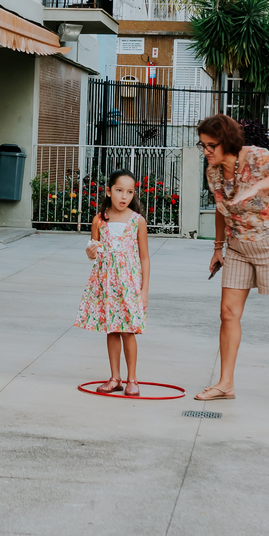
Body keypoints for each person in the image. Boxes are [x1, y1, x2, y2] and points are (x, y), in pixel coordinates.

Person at [196, 114, 269, 405]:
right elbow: (221, 208)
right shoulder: (214, 171)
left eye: (211, 146)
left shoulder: (255, 157)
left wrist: (256, 187)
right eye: (202, 145)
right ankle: (225, 383)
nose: (206, 151)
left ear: (227, 142)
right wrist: (218, 247)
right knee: (228, 313)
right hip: (238, 247)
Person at [76, 167, 150, 393]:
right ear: (109, 191)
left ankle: (132, 380)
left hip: (129, 286)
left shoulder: (138, 221)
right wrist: (90, 252)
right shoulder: (99, 220)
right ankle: (115, 377)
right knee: (112, 330)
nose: (124, 197)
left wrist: (144, 290)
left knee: (128, 331)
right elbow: (93, 250)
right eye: (119, 190)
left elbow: (145, 258)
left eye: (129, 192)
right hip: (107, 284)